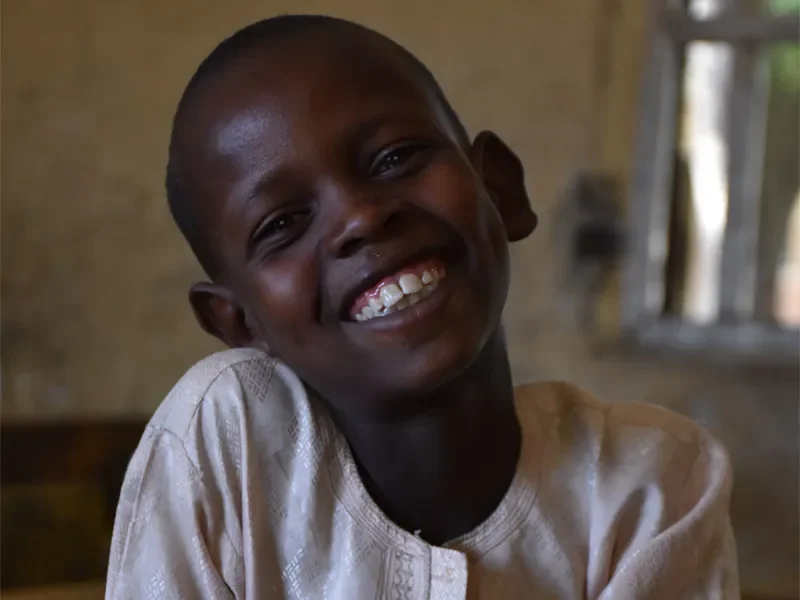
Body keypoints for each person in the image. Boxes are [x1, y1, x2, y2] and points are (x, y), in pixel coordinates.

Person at [106, 15, 739, 599]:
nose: (360, 217)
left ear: (499, 189)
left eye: (395, 158)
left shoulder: (650, 484)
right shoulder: (229, 440)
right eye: (283, 223)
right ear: (238, 320)